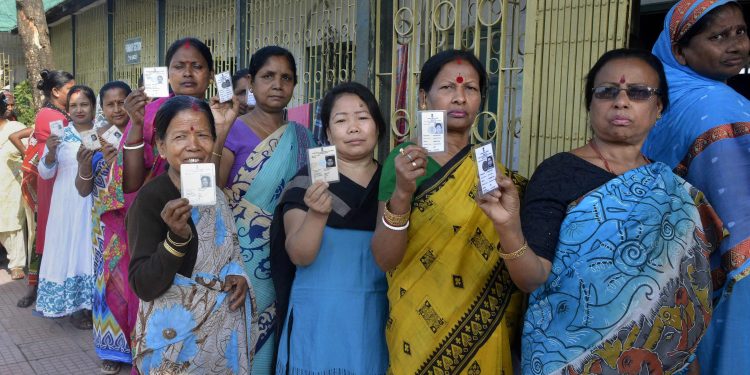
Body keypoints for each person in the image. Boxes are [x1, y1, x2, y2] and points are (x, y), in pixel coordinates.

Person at [500, 49, 719, 374]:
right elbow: (532, 279)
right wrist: (507, 227)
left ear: (658, 107)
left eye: (639, 92)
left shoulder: (672, 188)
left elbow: (683, 292)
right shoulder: (559, 172)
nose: (621, 101)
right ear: (590, 103)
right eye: (606, 92)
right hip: (567, 359)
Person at [371, 50, 525, 374]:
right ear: (424, 97)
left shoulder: (486, 165)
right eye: (447, 88)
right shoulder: (406, 161)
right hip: (418, 328)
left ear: (481, 99)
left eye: (470, 88)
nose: (459, 97)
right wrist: (401, 194)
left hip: (482, 325)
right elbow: (385, 258)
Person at [642, 1, 750, 373]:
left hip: (665, 274)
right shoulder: (719, 104)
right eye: (718, 36)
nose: (736, 45)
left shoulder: (657, 100)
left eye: (740, 32)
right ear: (679, 52)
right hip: (731, 274)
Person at [127, 95, 254, 374]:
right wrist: (176, 238)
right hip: (176, 345)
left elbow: (229, 250)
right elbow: (143, 285)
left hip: (220, 341)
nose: (193, 145)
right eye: (180, 136)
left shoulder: (215, 195)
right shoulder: (151, 199)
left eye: (204, 136)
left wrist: (238, 275)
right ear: (161, 146)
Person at [270, 82, 388, 374]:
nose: (353, 128)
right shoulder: (307, 182)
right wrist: (317, 215)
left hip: (378, 316)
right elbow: (299, 254)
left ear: (378, 126)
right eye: (341, 120)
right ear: (327, 133)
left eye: (362, 117)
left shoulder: (394, 184)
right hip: (319, 318)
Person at [220, 45, 316, 374]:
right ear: (251, 81)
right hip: (240, 253)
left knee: (275, 332)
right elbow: (216, 191)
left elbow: (317, 187)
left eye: (286, 78)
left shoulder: (303, 137)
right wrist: (220, 131)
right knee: (240, 329)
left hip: (288, 250)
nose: (277, 84)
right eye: (268, 76)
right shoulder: (232, 129)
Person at [121, 37, 233, 195]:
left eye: (197, 66)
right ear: (167, 75)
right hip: (155, 210)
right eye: (179, 67)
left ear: (211, 75)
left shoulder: (226, 116)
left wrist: (221, 130)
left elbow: (217, 186)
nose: (187, 73)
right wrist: (137, 124)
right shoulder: (148, 114)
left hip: (206, 211)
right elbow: (131, 184)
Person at [74, 80, 134, 374]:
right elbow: (83, 190)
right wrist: (85, 167)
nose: (116, 109)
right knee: (108, 284)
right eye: (109, 104)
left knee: (135, 284)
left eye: (122, 102)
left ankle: (139, 344)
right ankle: (111, 351)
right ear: (102, 108)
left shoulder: (141, 136)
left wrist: (123, 160)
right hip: (104, 228)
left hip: (136, 223)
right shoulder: (93, 140)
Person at [35, 85, 97, 330]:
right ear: (68, 109)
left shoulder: (104, 132)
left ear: (93, 106)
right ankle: (75, 307)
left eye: (84, 104)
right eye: (74, 106)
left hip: (96, 202)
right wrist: (50, 152)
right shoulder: (60, 136)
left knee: (92, 251)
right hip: (68, 205)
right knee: (73, 250)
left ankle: (95, 307)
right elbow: (45, 173)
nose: (79, 110)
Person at [17, 69, 75, 308]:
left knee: (48, 233)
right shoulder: (51, 116)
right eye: (70, 89)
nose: (74, 93)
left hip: (57, 179)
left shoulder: (57, 113)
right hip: (53, 183)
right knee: (50, 234)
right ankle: (41, 288)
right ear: (55, 91)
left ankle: (39, 287)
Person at [0, 93, 27, 280]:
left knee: (12, 224)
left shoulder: (16, 128)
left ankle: (17, 264)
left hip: (11, 184)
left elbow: (30, 153)